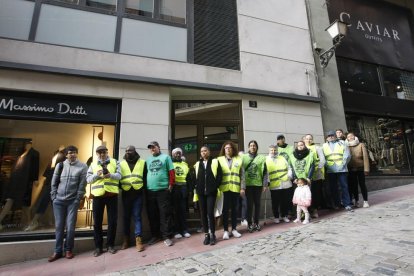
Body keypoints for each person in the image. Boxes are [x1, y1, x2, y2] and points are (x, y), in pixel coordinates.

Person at [48, 145, 88, 262]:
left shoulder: (83, 166)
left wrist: (77, 199)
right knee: (59, 227)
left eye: (74, 152)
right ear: (66, 155)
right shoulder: (60, 165)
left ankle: (68, 249)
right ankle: (57, 251)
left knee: (70, 227)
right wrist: (54, 197)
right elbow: (54, 182)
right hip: (58, 201)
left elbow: (82, 185)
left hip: (72, 201)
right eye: (70, 153)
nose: (72, 154)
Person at [87, 145, 121, 257]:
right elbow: (88, 180)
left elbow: (120, 176)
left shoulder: (115, 162)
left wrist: (110, 175)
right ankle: (98, 247)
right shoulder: (92, 164)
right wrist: (97, 175)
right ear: (97, 154)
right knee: (97, 223)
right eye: (100, 152)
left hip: (111, 195)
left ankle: (110, 245)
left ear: (107, 152)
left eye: (104, 152)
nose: (102, 154)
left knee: (112, 222)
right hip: (98, 196)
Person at [26, 146, 66, 231]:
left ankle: (37, 221)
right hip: (51, 184)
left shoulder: (62, 157)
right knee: (46, 203)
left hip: (56, 184)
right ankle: (36, 221)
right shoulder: (56, 157)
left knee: (50, 203)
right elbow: (48, 172)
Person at [145, 141, 175, 247]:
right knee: (152, 215)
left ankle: (166, 236)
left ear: (159, 147)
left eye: (154, 147)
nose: (152, 149)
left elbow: (171, 172)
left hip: (163, 191)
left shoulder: (166, 157)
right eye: (151, 148)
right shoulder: (147, 160)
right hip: (150, 191)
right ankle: (155, 236)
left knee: (165, 214)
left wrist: (171, 185)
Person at [194, 146, 222, 245]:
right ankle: (206, 235)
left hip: (211, 192)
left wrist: (215, 186)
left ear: (209, 152)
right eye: (202, 151)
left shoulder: (215, 161)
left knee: (210, 213)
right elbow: (195, 178)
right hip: (201, 193)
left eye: (205, 151)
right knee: (203, 214)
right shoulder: (198, 164)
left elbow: (219, 175)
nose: (203, 153)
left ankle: (212, 234)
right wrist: (196, 188)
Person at [119, 146, 146, 252]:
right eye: (126, 151)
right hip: (126, 193)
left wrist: (143, 188)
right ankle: (125, 240)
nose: (128, 153)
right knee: (126, 217)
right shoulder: (121, 163)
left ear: (135, 152)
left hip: (138, 194)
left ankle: (138, 241)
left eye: (130, 151)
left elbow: (145, 176)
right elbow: (119, 178)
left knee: (137, 217)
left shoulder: (142, 162)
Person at [217, 141, 244, 240]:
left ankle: (234, 229)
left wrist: (242, 187)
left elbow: (242, 175)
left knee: (234, 210)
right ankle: (225, 231)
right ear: (224, 149)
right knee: (224, 211)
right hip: (223, 189)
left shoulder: (238, 159)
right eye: (226, 148)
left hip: (235, 189)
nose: (228, 149)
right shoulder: (219, 160)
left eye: (230, 148)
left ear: (233, 149)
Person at [323, 131, 353, 212]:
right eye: (329, 136)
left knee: (344, 187)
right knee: (333, 188)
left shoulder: (342, 143)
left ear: (335, 136)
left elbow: (347, 155)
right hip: (331, 170)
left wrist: (343, 165)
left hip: (342, 169)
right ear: (327, 137)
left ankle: (347, 204)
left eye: (332, 135)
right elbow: (323, 158)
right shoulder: (324, 145)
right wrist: (327, 166)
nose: (331, 137)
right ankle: (337, 204)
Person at [241, 140, 267, 232]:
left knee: (257, 204)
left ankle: (256, 223)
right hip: (247, 185)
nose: (252, 147)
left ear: (257, 147)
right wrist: (241, 186)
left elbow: (265, 172)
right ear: (248, 147)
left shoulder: (262, 158)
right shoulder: (243, 157)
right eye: (251, 145)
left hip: (258, 185)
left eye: (254, 145)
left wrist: (265, 185)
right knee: (249, 205)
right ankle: (249, 224)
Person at [265, 144, 292, 224]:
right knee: (275, 202)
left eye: (275, 150)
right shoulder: (266, 159)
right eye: (272, 150)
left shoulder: (282, 158)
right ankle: (276, 217)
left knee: (285, 201)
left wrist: (289, 176)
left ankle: (284, 215)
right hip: (274, 184)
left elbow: (289, 168)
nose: (273, 152)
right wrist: (267, 182)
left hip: (285, 183)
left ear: (277, 150)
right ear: (269, 151)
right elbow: (265, 172)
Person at [303, 134, 325, 217]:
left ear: (312, 140)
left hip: (316, 174)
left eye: (310, 139)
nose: (308, 140)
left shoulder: (317, 147)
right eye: (307, 139)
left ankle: (315, 210)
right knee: (306, 193)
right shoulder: (302, 148)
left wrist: (317, 169)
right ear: (304, 140)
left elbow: (322, 160)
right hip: (305, 175)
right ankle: (306, 211)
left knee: (315, 192)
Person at [171, 147, 191, 239]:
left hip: (183, 188)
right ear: (173, 155)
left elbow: (188, 178)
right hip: (174, 188)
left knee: (183, 210)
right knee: (175, 211)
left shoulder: (185, 164)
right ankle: (176, 231)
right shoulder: (170, 163)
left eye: (179, 153)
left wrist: (189, 190)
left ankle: (184, 230)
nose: (178, 154)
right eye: (176, 153)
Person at [346, 132, 370, 208]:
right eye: (348, 136)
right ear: (347, 138)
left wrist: (366, 169)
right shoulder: (346, 146)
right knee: (354, 186)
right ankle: (356, 201)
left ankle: (365, 201)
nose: (350, 137)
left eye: (351, 136)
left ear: (354, 136)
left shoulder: (361, 145)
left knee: (362, 185)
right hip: (351, 169)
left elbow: (365, 157)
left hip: (360, 168)